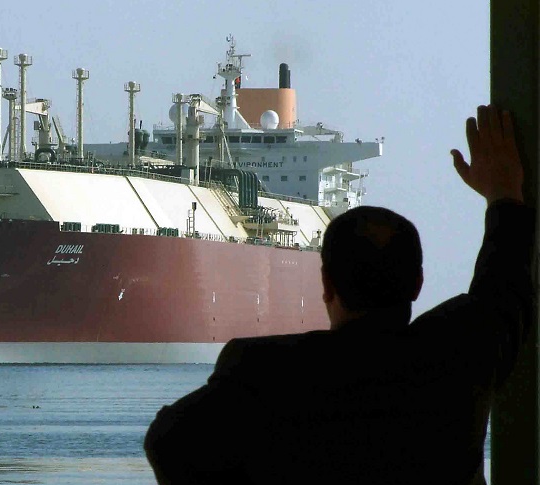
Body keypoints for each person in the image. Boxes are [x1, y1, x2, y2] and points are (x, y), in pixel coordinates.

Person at [144, 105, 533, 484]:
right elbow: (504, 284)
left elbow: (166, 443)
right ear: (418, 283)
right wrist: (503, 196)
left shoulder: (263, 371)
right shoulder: (458, 352)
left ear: (325, 284)